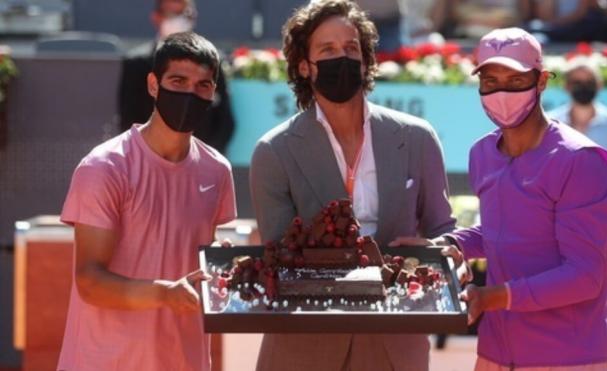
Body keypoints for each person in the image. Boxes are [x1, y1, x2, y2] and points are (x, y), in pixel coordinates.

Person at [249, 1, 456, 370]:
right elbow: (279, 256)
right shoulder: (273, 151)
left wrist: (440, 249)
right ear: (303, 66)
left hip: (396, 341)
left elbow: (443, 229)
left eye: (351, 48)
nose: (341, 58)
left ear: (366, 60)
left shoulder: (417, 137)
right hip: (304, 348)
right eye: (327, 50)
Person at [398, 27, 607, 370]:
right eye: (490, 80)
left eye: (515, 80)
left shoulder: (582, 160)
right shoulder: (482, 153)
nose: (501, 92)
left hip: (567, 356)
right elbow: (509, 234)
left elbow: (584, 276)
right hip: (496, 351)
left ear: (542, 81)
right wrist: (442, 243)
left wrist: (492, 297)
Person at [57, 32, 237, 371]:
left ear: (213, 92)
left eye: (203, 85)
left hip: (185, 358)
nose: (189, 93)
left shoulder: (217, 171)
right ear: (154, 85)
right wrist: (163, 293)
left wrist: (220, 267)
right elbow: (90, 281)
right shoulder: (104, 167)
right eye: (178, 81)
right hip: (106, 360)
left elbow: (191, 260)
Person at [118, 0, 235, 154]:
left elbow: (225, 123)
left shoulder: (215, 60)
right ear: (156, 17)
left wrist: (204, 160)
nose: (180, 20)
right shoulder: (136, 63)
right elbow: (129, 119)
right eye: (172, 14)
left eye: (185, 13)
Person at [549, 58, 607, 192]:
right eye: (577, 82)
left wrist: (600, 194)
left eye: (589, 82)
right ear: (566, 86)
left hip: (602, 209)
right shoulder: (550, 123)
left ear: (599, 85)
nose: (584, 86)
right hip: (557, 206)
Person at [523, 0, 607, 50]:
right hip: (561, 30)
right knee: (536, 33)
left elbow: (604, 11)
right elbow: (546, 18)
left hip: (588, 29)